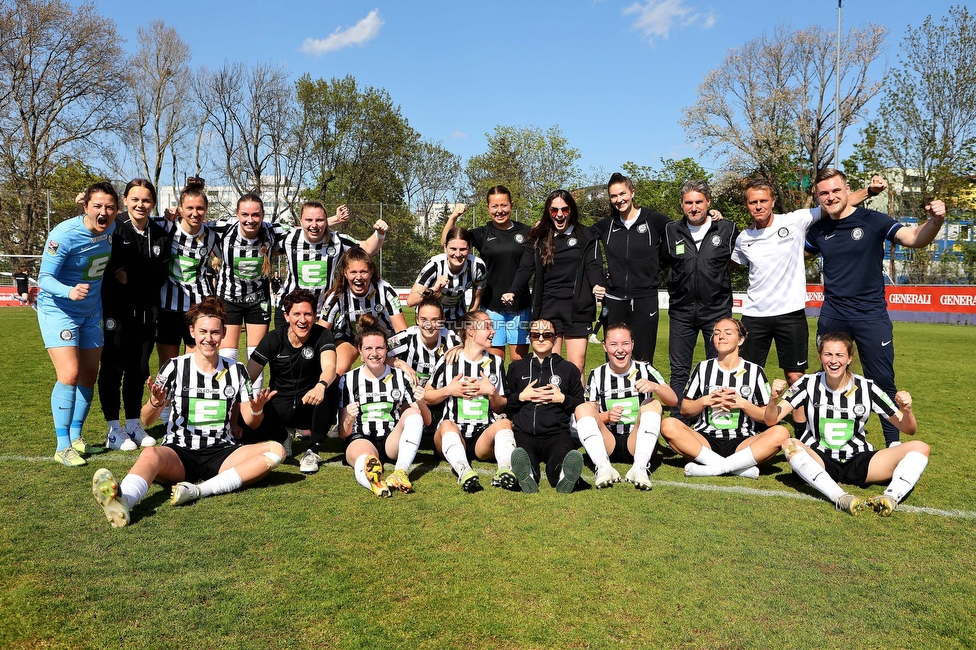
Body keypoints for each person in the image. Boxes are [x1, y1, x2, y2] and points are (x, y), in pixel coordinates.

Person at [91, 297, 283, 527]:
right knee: (150, 454)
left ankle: (198, 491)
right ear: (192, 331)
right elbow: (146, 419)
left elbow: (252, 423)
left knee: (276, 450)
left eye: (215, 332)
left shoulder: (237, 370)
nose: (208, 338)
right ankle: (126, 501)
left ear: (224, 333)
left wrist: (256, 409)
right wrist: (156, 401)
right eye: (203, 331)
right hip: (180, 453)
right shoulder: (174, 367)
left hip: (222, 454)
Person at [806, 168, 946, 447]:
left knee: (881, 380)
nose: (830, 197)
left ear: (847, 190)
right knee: (829, 376)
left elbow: (915, 238)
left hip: (870, 315)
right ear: (818, 197)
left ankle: (892, 443)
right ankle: (825, 436)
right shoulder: (818, 229)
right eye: (824, 193)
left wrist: (936, 220)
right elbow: (794, 257)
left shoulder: (873, 220)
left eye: (835, 190)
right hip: (833, 314)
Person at [731, 176, 879, 430]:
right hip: (755, 314)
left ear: (772, 201)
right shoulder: (744, 238)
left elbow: (838, 202)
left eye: (763, 200)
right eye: (752, 202)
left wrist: (870, 191)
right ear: (747, 205)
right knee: (749, 374)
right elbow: (732, 264)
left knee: (795, 377)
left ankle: (802, 432)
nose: (758, 206)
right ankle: (747, 427)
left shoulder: (795, 220)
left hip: (790, 314)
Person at [764, 332, 930, 516]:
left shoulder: (867, 387)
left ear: (850, 358)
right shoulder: (807, 383)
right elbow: (771, 419)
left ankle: (890, 497)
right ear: (820, 356)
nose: (833, 360)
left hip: (859, 460)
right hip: (819, 459)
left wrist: (907, 410)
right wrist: (773, 399)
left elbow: (908, 429)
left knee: (921, 448)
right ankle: (840, 497)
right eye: (828, 354)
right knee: (790, 444)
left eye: (839, 355)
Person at [38, 182, 119, 467]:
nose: (104, 212)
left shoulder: (112, 226)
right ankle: (62, 446)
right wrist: (68, 291)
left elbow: (139, 216)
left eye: (109, 207)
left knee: (88, 375)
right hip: (59, 309)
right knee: (70, 374)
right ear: (85, 206)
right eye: (97, 206)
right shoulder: (63, 234)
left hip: (92, 311)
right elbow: (44, 278)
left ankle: (76, 439)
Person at [660, 317, 789, 479]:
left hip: (742, 442)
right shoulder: (703, 368)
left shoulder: (755, 371)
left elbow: (767, 419)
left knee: (781, 433)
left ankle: (714, 467)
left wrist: (742, 403)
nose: (721, 337)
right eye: (716, 333)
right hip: (704, 440)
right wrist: (706, 400)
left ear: (741, 339)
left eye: (728, 333)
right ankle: (735, 467)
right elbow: (685, 410)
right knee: (668, 424)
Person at [99, 179, 170, 451]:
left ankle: (132, 424)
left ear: (153, 203)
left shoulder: (159, 233)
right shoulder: (113, 227)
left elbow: (160, 275)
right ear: (126, 200)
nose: (141, 205)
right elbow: (111, 271)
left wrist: (131, 273)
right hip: (116, 311)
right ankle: (113, 429)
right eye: (135, 199)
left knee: (139, 369)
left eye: (146, 200)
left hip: (146, 312)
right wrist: (124, 273)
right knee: (113, 368)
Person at [502, 190, 604, 377]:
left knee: (577, 366)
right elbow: (525, 268)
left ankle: (577, 405)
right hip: (548, 309)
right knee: (550, 366)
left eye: (564, 210)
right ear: (548, 212)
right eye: (554, 210)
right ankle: (551, 406)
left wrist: (597, 284)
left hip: (578, 309)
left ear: (571, 210)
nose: (559, 214)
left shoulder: (586, 236)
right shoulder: (537, 239)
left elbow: (593, 265)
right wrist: (513, 290)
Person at [664, 180, 738, 416]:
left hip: (716, 313)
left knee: (719, 368)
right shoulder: (670, 230)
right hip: (681, 313)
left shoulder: (727, 229)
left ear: (708, 202)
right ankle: (677, 419)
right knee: (679, 371)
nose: (694, 207)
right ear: (681, 204)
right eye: (688, 203)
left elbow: (740, 262)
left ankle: (716, 420)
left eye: (698, 202)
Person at [244, 289, 337, 474]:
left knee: (331, 385)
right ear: (287, 316)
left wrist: (320, 386)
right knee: (244, 428)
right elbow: (247, 377)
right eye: (297, 314)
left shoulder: (323, 335)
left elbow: (330, 368)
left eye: (308, 314)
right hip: (280, 407)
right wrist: (251, 406)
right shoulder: (273, 338)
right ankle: (282, 435)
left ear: (315, 315)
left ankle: (312, 450)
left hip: (310, 405)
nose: (302, 320)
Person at [338, 315, 430, 497]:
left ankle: (400, 472)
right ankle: (375, 484)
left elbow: (426, 420)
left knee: (413, 412)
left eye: (380, 348)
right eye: (368, 348)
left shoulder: (401, 377)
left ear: (387, 349)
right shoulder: (347, 380)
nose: (374, 353)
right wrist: (349, 417)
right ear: (360, 351)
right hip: (361, 438)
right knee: (365, 458)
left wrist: (421, 402)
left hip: (391, 440)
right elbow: (343, 433)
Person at [582, 322, 678, 490]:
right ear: (605, 347)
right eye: (613, 344)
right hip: (609, 442)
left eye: (625, 343)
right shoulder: (597, 374)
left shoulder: (645, 368)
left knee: (653, 403)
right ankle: (603, 466)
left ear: (632, 344)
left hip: (637, 441)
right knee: (581, 408)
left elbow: (673, 400)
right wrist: (606, 416)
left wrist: (655, 387)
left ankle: (640, 468)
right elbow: (589, 414)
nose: (620, 349)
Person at [588, 173, 671, 364]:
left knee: (643, 358)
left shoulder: (653, 219)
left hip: (645, 298)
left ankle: (644, 394)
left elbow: (683, 230)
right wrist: (599, 277)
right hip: (614, 300)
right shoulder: (606, 225)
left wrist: (710, 215)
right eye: (613, 196)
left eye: (622, 194)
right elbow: (581, 241)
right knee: (615, 359)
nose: (619, 200)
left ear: (632, 192)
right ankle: (612, 394)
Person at [440, 188, 532, 362]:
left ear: (511, 205)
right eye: (494, 206)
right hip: (491, 308)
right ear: (488, 208)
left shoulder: (526, 232)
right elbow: (447, 242)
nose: (500, 210)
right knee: (495, 362)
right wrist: (453, 217)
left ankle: (516, 391)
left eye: (504, 205)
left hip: (521, 307)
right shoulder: (482, 233)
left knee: (520, 364)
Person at [426, 310, 513, 492]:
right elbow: (427, 396)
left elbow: (501, 406)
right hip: (452, 433)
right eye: (487, 326)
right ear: (471, 331)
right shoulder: (449, 360)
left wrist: (491, 392)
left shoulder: (496, 363)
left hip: (483, 437)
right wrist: (449, 390)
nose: (493, 331)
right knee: (448, 424)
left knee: (504, 423)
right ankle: (464, 471)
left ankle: (505, 469)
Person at [273, 201, 387, 332]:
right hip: (289, 310)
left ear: (325, 221)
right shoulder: (288, 239)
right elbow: (263, 245)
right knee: (287, 351)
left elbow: (367, 248)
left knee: (321, 352)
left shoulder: (337, 241)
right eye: (309, 220)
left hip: (322, 313)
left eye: (320, 220)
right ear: (301, 221)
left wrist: (380, 233)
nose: (314, 225)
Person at [505, 318, 588, 493]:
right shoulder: (516, 368)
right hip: (524, 432)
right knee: (523, 453)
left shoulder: (568, 369)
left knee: (563, 453)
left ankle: (564, 475)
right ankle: (527, 473)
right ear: (529, 338)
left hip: (557, 433)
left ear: (555, 339)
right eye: (536, 335)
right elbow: (505, 404)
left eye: (547, 335)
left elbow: (581, 404)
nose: (541, 339)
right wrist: (521, 396)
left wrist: (562, 399)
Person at [210, 194, 281, 392]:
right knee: (228, 355)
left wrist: (332, 220)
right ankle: (227, 397)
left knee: (256, 356)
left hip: (258, 300)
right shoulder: (224, 228)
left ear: (263, 215)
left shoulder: (271, 230)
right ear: (237, 214)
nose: (250, 219)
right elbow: (194, 223)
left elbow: (305, 230)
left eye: (255, 215)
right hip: (229, 299)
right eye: (245, 214)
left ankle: (252, 403)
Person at [155, 178, 220, 374]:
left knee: (194, 366)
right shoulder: (165, 227)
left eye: (200, 208)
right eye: (189, 208)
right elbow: (130, 224)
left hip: (198, 308)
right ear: (180, 208)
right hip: (168, 308)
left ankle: (187, 404)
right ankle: (165, 406)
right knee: (167, 367)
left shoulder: (212, 236)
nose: (195, 213)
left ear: (206, 209)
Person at [319, 247, 407, 375]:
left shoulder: (385, 290)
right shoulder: (337, 295)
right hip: (350, 338)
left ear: (371, 272)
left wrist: (382, 351)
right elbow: (321, 332)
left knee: (392, 369)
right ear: (345, 272)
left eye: (363, 272)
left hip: (383, 340)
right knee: (337, 370)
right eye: (353, 272)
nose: (358, 277)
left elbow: (402, 331)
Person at [408, 225, 486, 323]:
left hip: (457, 318)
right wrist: (434, 289)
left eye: (463, 249)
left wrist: (466, 322)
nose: (457, 254)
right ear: (445, 248)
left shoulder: (478, 267)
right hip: (431, 320)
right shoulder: (434, 265)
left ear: (470, 248)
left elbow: (476, 300)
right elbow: (411, 301)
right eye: (453, 249)